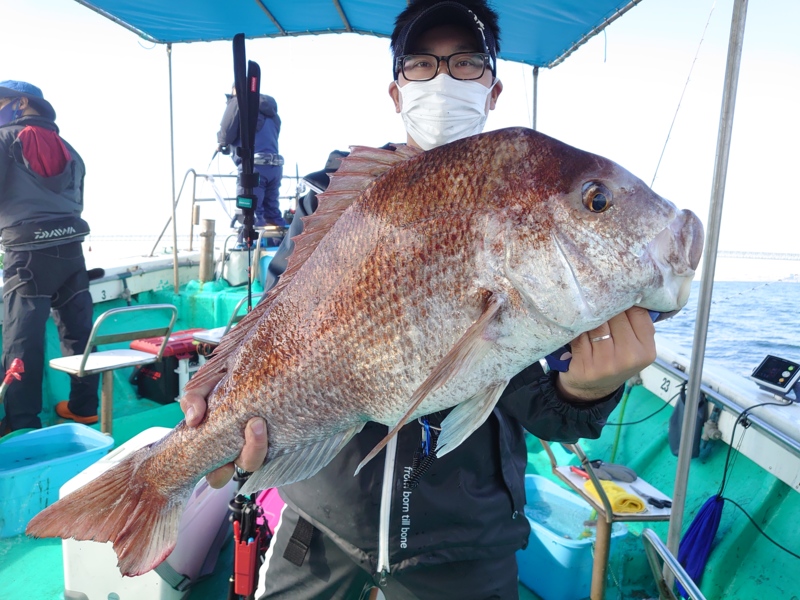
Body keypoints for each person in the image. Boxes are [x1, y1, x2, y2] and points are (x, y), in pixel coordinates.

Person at [182, 1, 657, 598]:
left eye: (464, 63)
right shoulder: (331, 204)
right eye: (422, 64)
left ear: (492, 87)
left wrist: (585, 389)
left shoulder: (533, 236)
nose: (443, 78)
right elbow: (278, 338)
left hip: (465, 539)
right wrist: (230, 423)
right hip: (321, 523)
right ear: (396, 89)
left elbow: (541, 409)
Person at [0, 80, 99, 433]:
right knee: (79, 332)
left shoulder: (4, 140)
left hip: (26, 258)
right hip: (71, 253)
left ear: (21, 103)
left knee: (21, 340)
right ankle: (84, 407)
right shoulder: (70, 149)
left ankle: (21, 423)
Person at [217, 86, 287, 229]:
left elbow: (226, 133)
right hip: (275, 167)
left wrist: (223, 143)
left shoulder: (238, 101)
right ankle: (284, 247)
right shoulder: (271, 110)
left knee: (249, 214)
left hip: (253, 168)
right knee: (272, 214)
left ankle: (247, 248)